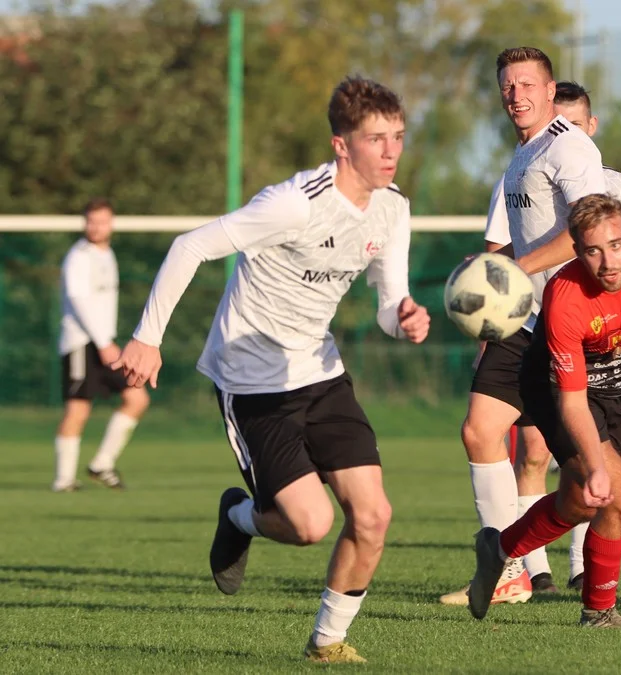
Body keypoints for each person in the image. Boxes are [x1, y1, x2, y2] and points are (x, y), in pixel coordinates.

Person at [111, 76, 431, 663]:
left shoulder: (392, 208)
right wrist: (147, 338)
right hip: (253, 382)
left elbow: (390, 305)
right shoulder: (293, 204)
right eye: (376, 139)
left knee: (374, 516)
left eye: (399, 136)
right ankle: (239, 517)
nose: (391, 151)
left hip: (320, 373)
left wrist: (404, 317)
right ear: (341, 145)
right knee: (308, 525)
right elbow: (189, 246)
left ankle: (327, 644)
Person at [440, 49, 621, 607]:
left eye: (528, 84)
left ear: (550, 91)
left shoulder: (569, 146)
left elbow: (587, 235)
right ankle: (509, 569)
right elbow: (523, 241)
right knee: (482, 432)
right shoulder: (523, 154)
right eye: (508, 86)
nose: (516, 95)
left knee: (607, 472)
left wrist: (514, 271)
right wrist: (498, 279)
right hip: (528, 320)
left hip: (577, 322)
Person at [468, 193, 621, 628]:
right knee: (617, 495)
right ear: (576, 252)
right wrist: (597, 465)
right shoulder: (566, 297)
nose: (608, 262)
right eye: (593, 251)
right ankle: (598, 612)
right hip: (557, 390)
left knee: (579, 502)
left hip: (614, 385)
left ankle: (500, 549)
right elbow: (573, 400)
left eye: (615, 245)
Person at [53, 197, 151, 492]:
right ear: (85, 223)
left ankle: (101, 464)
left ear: (111, 223)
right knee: (78, 410)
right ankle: (64, 480)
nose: (96, 227)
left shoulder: (107, 254)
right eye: (92, 221)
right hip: (82, 343)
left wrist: (107, 342)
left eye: (102, 222)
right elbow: (79, 301)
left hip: (105, 343)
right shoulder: (78, 257)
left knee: (137, 399)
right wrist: (103, 342)